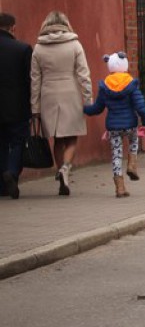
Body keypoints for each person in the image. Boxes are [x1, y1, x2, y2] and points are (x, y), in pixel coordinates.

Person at [31, 10, 92, 197]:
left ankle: (61, 172)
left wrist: (35, 107)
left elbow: (35, 80)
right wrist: (88, 98)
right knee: (72, 137)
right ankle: (65, 169)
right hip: (70, 92)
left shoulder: (39, 48)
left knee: (57, 138)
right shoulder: (74, 44)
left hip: (48, 94)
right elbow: (83, 73)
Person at [84, 52, 145, 198]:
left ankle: (119, 187)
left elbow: (97, 108)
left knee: (116, 154)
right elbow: (140, 106)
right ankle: (132, 165)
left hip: (113, 127)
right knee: (134, 140)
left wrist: (84, 108)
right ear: (125, 65)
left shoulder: (105, 86)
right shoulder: (131, 84)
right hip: (130, 125)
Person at [0, 13, 32, 199]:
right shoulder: (22, 49)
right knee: (18, 140)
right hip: (17, 106)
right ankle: (11, 172)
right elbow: (30, 81)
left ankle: (2, 185)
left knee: (1, 143)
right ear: (12, 27)